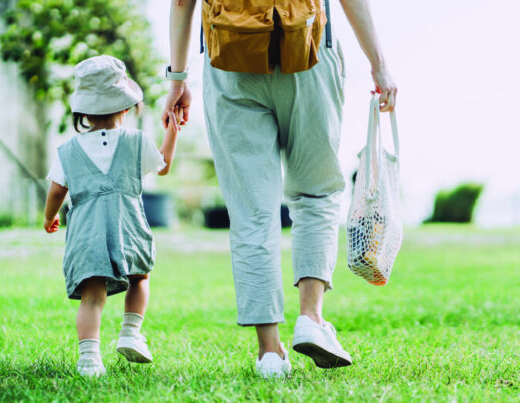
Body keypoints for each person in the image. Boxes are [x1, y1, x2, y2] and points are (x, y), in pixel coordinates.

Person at [162, 0, 397, 378]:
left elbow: (181, 2)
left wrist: (177, 80)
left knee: (252, 212)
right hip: (309, 52)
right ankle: (311, 317)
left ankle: (269, 352)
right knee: (315, 193)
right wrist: (379, 64)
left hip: (230, 60)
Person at [43, 55, 181, 377]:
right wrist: (171, 132)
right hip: (128, 226)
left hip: (87, 234)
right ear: (125, 106)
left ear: (83, 111)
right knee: (140, 277)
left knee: (92, 297)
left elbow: (56, 191)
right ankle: (131, 332)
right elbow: (164, 165)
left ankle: (89, 359)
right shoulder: (137, 141)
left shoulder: (69, 149)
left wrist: (49, 217)